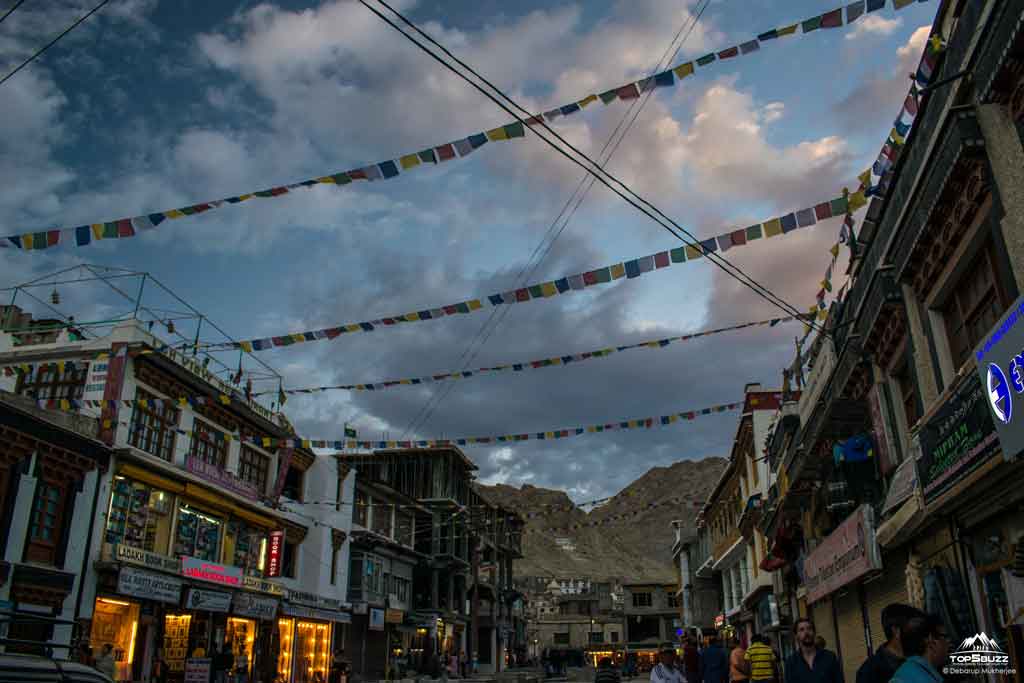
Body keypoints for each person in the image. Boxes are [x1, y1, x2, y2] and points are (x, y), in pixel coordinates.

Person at [856, 604, 925, 683]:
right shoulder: (868, 673)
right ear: (896, 631)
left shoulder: (923, 660)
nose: (921, 635)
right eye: (915, 629)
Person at [889, 615, 948, 683]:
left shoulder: (904, 673)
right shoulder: (924, 678)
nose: (949, 642)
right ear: (931, 639)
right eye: (945, 636)